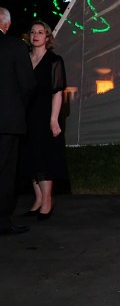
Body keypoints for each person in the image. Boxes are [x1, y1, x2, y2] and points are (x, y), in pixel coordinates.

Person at [22, 21, 69, 220]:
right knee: (30, 156)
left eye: (40, 32)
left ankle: (47, 201)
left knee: (44, 157)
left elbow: (57, 92)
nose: (36, 35)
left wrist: (53, 119)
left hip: (45, 114)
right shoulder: (24, 59)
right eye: (33, 32)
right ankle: (38, 199)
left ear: (47, 37)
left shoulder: (54, 60)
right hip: (26, 114)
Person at [0, 7, 35, 236]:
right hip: (7, 121)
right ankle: (2, 221)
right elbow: (28, 85)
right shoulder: (15, 47)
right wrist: (16, 107)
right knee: (4, 172)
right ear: (7, 24)